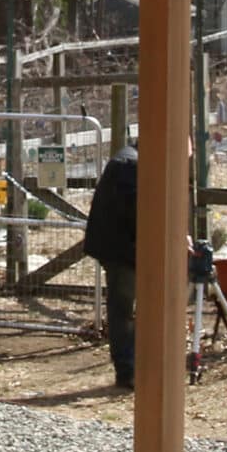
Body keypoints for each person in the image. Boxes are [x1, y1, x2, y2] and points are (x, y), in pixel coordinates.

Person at [83, 144, 140, 389]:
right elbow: (136, 213)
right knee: (123, 311)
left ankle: (130, 368)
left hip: (118, 248)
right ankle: (128, 370)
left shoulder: (127, 161)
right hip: (123, 251)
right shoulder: (132, 167)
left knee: (122, 310)